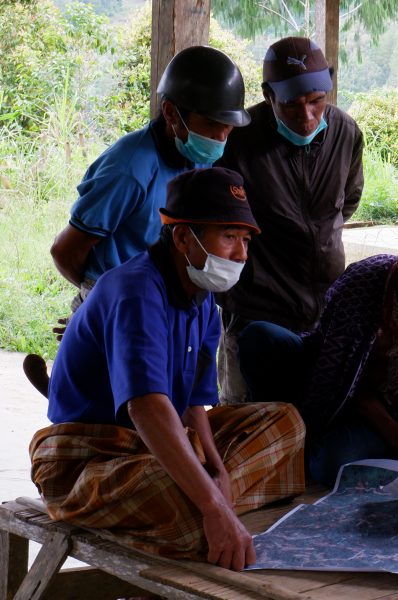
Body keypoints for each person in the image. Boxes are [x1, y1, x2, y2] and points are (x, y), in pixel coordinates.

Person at [30, 168, 306, 568]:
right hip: (88, 459)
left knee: (286, 422)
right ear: (181, 237)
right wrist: (213, 507)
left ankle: (202, 498)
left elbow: (194, 404)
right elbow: (146, 408)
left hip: (162, 443)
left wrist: (216, 471)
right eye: (228, 237)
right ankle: (204, 507)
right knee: (192, 512)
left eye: (245, 240)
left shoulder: (204, 302)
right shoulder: (135, 291)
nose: (241, 254)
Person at [24, 46, 250, 397]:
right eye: (211, 125)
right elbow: (65, 250)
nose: (221, 138)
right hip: (125, 300)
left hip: (167, 297)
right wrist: (100, 305)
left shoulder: (198, 161)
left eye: (227, 128)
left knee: (166, 397)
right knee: (125, 406)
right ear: (172, 113)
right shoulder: (130, 168)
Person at [238, 215, 398, 485]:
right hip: (345, 391)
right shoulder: (364, 286)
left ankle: (340, 443)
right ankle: (286, 432)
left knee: (330, 464)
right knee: (261, 338)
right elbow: (343, 378)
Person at [215, 36, 364, 405]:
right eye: (292, 105)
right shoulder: (238, 142)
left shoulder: (345, 133)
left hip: (321, 314)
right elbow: (220, 224)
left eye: (316, 101)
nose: (307, 115)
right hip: (255, 311)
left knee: (308, 420)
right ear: (269, 95)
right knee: (247, 424)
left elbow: (348, 201)